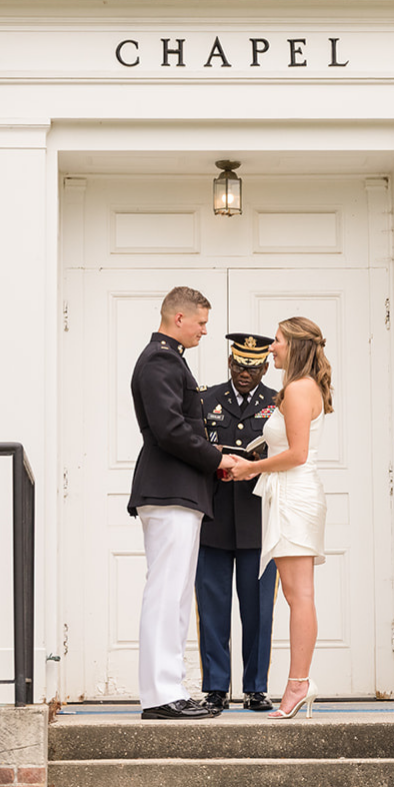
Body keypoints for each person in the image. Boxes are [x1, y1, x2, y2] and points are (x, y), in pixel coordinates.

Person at [127, 286, 239, 720]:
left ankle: (169, 687)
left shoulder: (170, 359)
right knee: (166, 592)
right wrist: (216, 457)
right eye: (202, 323)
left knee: (175, 596)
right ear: (179, 318)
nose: (205, 331)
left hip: (180, 490)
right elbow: (169, 428)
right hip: (169, 488)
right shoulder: (160, 359)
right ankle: (159, 694)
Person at [227, 316, 332, 720]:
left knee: (298, 595)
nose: (271, 347)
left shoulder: (298, 389)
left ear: (296, 346)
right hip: (290, 493)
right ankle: (299, 683)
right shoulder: (303, 387)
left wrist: (250, 469)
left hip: (294, 494)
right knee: (297, 594)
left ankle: (299, 684)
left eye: (277, 340)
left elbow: (297, 454)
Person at [196, 333, 279, 713]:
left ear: (263, 367)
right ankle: (215, 687)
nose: (244, 374)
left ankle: (255, 688)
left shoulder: (277, 403)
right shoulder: (206, 399)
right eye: (238, 365)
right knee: (212, 607)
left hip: (258, 518)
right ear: (229, 363)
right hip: (213, 516)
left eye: (252, 367)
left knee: (258, 610)